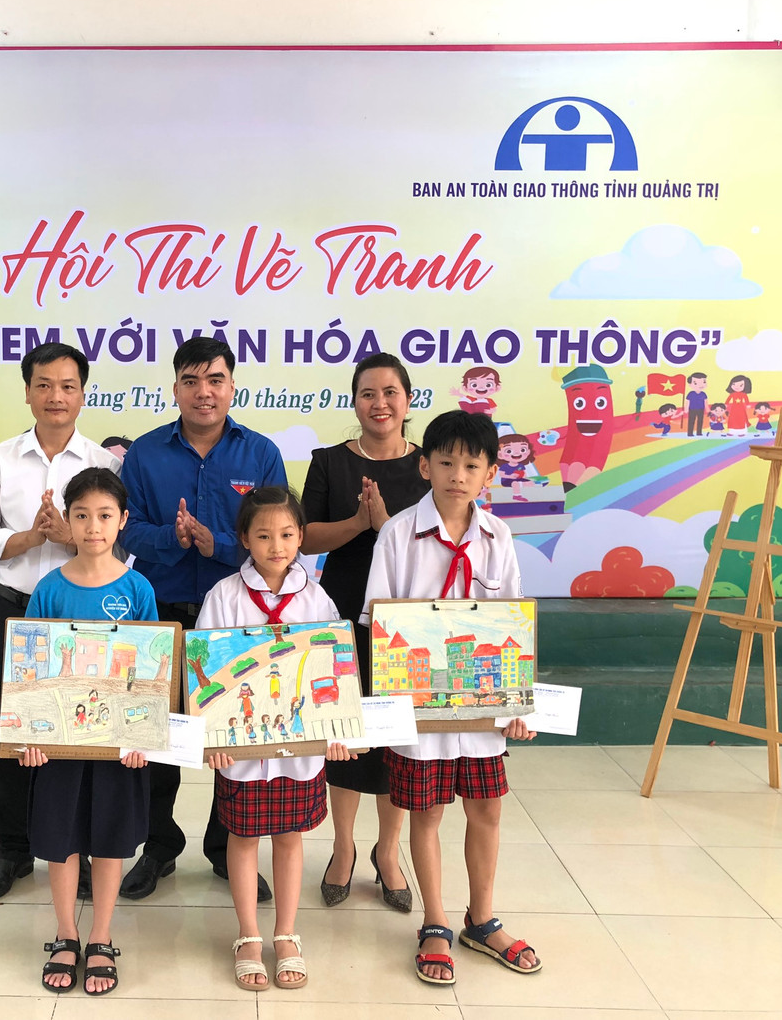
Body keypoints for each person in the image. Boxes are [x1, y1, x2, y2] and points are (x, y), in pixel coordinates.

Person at [362, 410, 541, 985]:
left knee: (487, 809)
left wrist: (517, 704)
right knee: (428, 811)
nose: (457, 476)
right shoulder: (397, 534)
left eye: (471, 465)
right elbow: (378, 622)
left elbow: (512, 622)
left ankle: (481, 920)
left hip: (483, 706)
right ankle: (435, 922)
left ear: (489, 474)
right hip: (419, 710)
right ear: (425, 467)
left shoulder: (498, 536)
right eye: (445, 463)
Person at [118, 336, 286, 900]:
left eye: (215, 380)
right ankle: (158, 847)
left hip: (236, 617)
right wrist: (175, 538)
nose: (203, 392)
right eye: (191, 382)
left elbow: (275, 536)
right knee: (156, 735)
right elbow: (129, 531)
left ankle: (226, 846)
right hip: (161, 613)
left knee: (231, 731)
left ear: (232, 387)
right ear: (175, 389)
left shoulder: (259, 454)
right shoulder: (145, 453)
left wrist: (218, 546)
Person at [0, 342, 120, 902]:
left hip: (87, 616)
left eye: (68, 386)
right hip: (16, 610)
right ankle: (13, 851)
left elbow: (120, 543)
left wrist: (72, 537)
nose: (57, 396)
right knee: (9, 736)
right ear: (28, 392)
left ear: (83, 394)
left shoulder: (105, 464)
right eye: (45, 385)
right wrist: (33, 536)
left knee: (81, 738)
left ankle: (76, 851)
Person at [198, 486, 353, 991]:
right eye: (263, 536)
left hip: (301, 752)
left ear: (302, 537)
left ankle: (286, 933)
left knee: (290, 837)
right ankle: (248, 935)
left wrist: (338, 729)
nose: (276, 546)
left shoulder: (317, 597)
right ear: (243, 538)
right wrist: (211, 737)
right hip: (241, 752)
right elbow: (205, 672)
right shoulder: (223, 596)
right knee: (243, 838)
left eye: (287, 534)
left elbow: (334, 668)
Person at [18, 467, 155, 996]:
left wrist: (142, 737)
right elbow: (27, 672)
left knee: (111, 838)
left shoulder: (138, 588)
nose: (93, 526)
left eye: (104, 515)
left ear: (123, 520)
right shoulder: (49, 589)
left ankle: (100, 935)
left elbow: (151, 672)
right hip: (59, 746)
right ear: (67, 522)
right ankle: (65, 933)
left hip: (118, 747)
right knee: (61, 839)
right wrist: (29, 736)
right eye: (81, 515)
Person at [302, 353, 426, 913]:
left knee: (396, 735)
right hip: (343, 611)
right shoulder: (330, 462)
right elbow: (305, 537)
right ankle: (344, 848)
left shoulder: (428, 466)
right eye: (368, 393)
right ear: (354, 401)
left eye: (391, 392)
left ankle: (389, 851)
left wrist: (389, 527)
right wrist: (359, 523)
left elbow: (437, 537)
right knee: (346, 733)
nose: (380, 404)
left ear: (408, 399)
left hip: (407, 620)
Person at [685, 371, 709, 437]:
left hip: (701, 409)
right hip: (692, 409)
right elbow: (687, 401)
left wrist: (707, 410)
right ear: (690, 384)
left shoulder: (703, 394)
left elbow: (706, 402)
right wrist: (686, 409)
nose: (700, 385)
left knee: (700, 421)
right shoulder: (691, 394)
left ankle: (699, 432)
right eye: (695, 383)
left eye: (703, 382)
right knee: (691, 421)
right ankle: (690, 433)